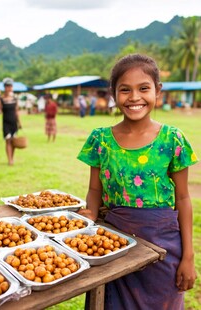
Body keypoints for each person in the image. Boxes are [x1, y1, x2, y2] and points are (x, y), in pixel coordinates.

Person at [77, 54, 198, 309]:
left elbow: (184, 199)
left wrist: (188, 256)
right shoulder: (101, 140)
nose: (134, 97)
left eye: (144, 88)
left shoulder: (172, 139)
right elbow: (94, 189)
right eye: (124, 90)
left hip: (163, 249)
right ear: (113, 94)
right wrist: (90, 219)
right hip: (113, 244)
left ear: (158, 90)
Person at [0, 78, 21, 165]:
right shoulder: (1, 99)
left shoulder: (14, 99)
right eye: (7, 86)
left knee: (13, 141)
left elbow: (17, 111)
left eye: (10, 86)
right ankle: (9, 159)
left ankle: (12, 158)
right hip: (6, 122)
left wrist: (19, 122)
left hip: (14, 122)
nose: (9, 88)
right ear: (5, 87)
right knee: (8, 140)